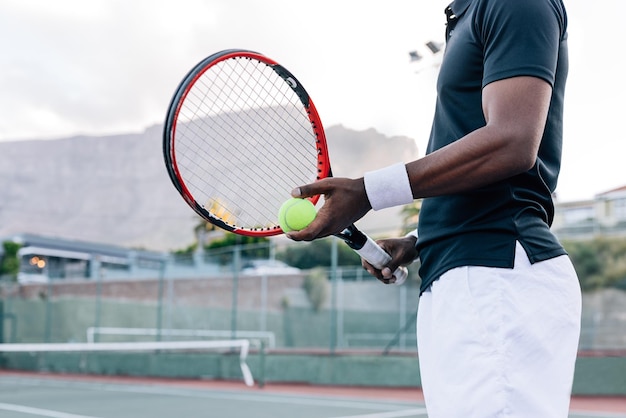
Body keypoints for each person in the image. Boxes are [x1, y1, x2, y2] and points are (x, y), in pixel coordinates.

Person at [287, 0, 582, 416]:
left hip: (496, 274)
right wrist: (421, 239)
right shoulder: (465, 15)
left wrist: (369, 192)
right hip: (461, 276)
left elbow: (514, 140)